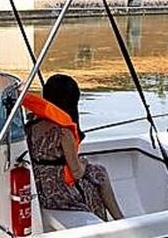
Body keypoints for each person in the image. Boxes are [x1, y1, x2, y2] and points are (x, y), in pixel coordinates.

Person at [26, 74, 124, 221]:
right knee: (99, 174)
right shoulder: (63, 132)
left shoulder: (31, 123)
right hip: (58, 194)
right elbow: (77, 172)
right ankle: (118, 220)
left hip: (38, 188)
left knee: (95, 171)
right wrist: (83, 162)